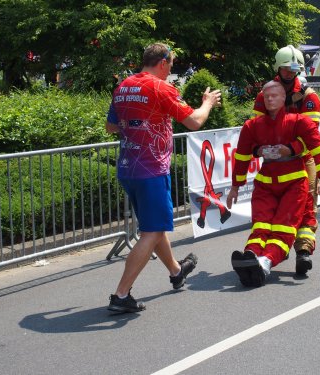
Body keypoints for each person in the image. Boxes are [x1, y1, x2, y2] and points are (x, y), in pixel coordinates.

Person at [105, 43, 221, 313]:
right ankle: (121, 295)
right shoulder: (160, 87)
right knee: (153, 230)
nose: (171, 71)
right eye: (171, 65)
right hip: (151, 169)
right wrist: (208, 103)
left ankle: (176, 271)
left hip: (127, 166)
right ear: (162, 62)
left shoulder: (123, 86)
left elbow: (111, 126)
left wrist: (135, 124)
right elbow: (193, 121)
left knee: (152, 226)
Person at [226, 81, 320, 287]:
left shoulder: (299, 121)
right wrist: (235, 187)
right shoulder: (252, 126)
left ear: (284, 98)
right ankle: (251, 256)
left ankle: (265, 263)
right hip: (265, 183)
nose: (270, 99)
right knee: (260, 226)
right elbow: (241, 157)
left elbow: (319, 150)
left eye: (275, 95)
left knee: (284, 228)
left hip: (294, 184)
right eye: (266, 97)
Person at [253, 45, 320, 275]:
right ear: (278, 68)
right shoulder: (265, 95)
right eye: (286, 70)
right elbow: (257, 128)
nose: (290, 74)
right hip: (273, 161)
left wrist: (291, 149)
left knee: (306, 202)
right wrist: (262, 149)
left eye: (294, 70)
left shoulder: (308, 96)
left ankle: (303, 251)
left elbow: (311, 135)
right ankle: (265, 249)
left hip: (302, 159)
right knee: (270, 207)